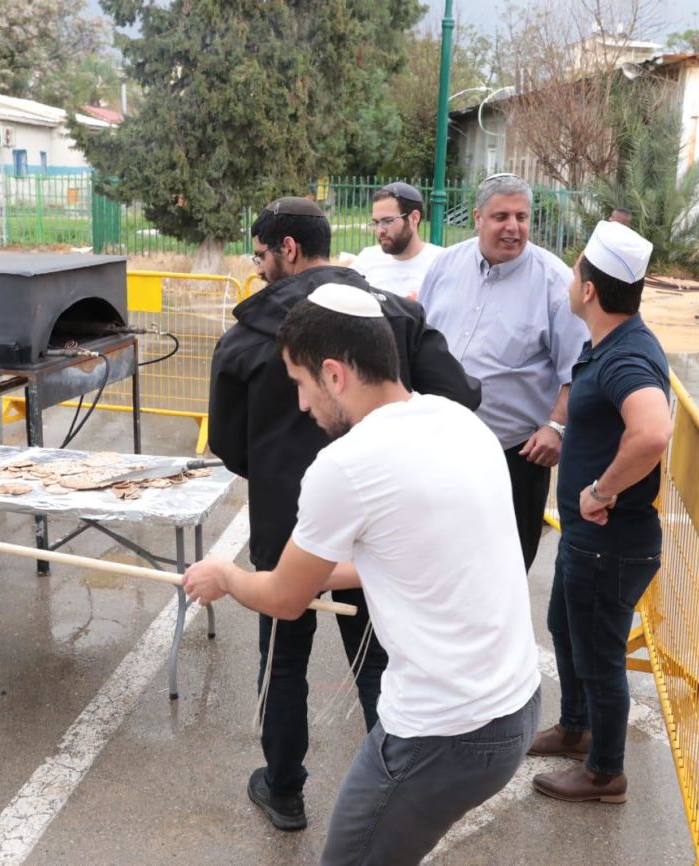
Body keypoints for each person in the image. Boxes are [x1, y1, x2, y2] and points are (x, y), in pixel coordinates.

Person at [186, 284, 540, 865]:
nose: (301, 404)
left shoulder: (346, 464)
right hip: (516, 706)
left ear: (334, 374)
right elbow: (411, 557)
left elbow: (284, 600)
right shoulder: (458, 421)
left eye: (300, 384)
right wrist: (318, 575)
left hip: (442, 734)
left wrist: (225, 575)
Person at [207, 197, 479, 832]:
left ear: (288, 249)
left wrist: (277, 474)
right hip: (379, 522)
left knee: (283, 659)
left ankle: (283, 788)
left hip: (287, 524)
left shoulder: (246, 335)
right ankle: (403, 786)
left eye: (261, 253)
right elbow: (458, 397)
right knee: (377, 659)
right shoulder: (394, 317)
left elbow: (227, 445)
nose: (258, 266)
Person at [528, 220, 673, 804]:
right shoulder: (612, 342)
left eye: (575, 272)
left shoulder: (625, 356)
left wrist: (602, 490)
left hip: (608, 544)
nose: (570, 280)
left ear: (589, 289)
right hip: (586, 542)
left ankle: (605, 772)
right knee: (567, 629)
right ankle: (576, 728)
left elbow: (652, 432)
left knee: (599, 655)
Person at [418, 172, 590, 573]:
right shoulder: (445, 266)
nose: (513, 227)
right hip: (436, 450)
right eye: (501, 217)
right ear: (478, 217)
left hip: (512, 457)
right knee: (435, 564)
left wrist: (557, 427)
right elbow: (418, 340)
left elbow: (578, 369)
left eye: (521, 217)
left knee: (503, 570)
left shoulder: (554, 282)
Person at [348, 181, 442, 299]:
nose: (380, 230)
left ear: (414, 218)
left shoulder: (441, 263)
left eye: (388, 221)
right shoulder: (367, 259)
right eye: (376, 222)